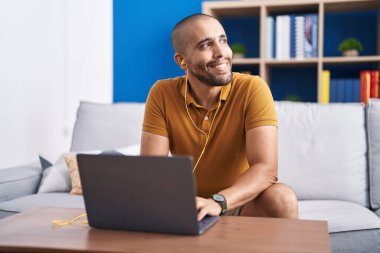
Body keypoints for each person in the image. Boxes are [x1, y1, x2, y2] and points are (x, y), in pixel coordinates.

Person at [141, 13, 298, 221]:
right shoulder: (162, 92)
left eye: (223, 40)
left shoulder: (253, 88)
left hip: (237, 203)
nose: (221, 52)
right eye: (206, 45)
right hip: (190, 206)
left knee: (282, 197)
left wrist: (218, 202)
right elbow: (153, 170)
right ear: (182, 61)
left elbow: (266, 168)